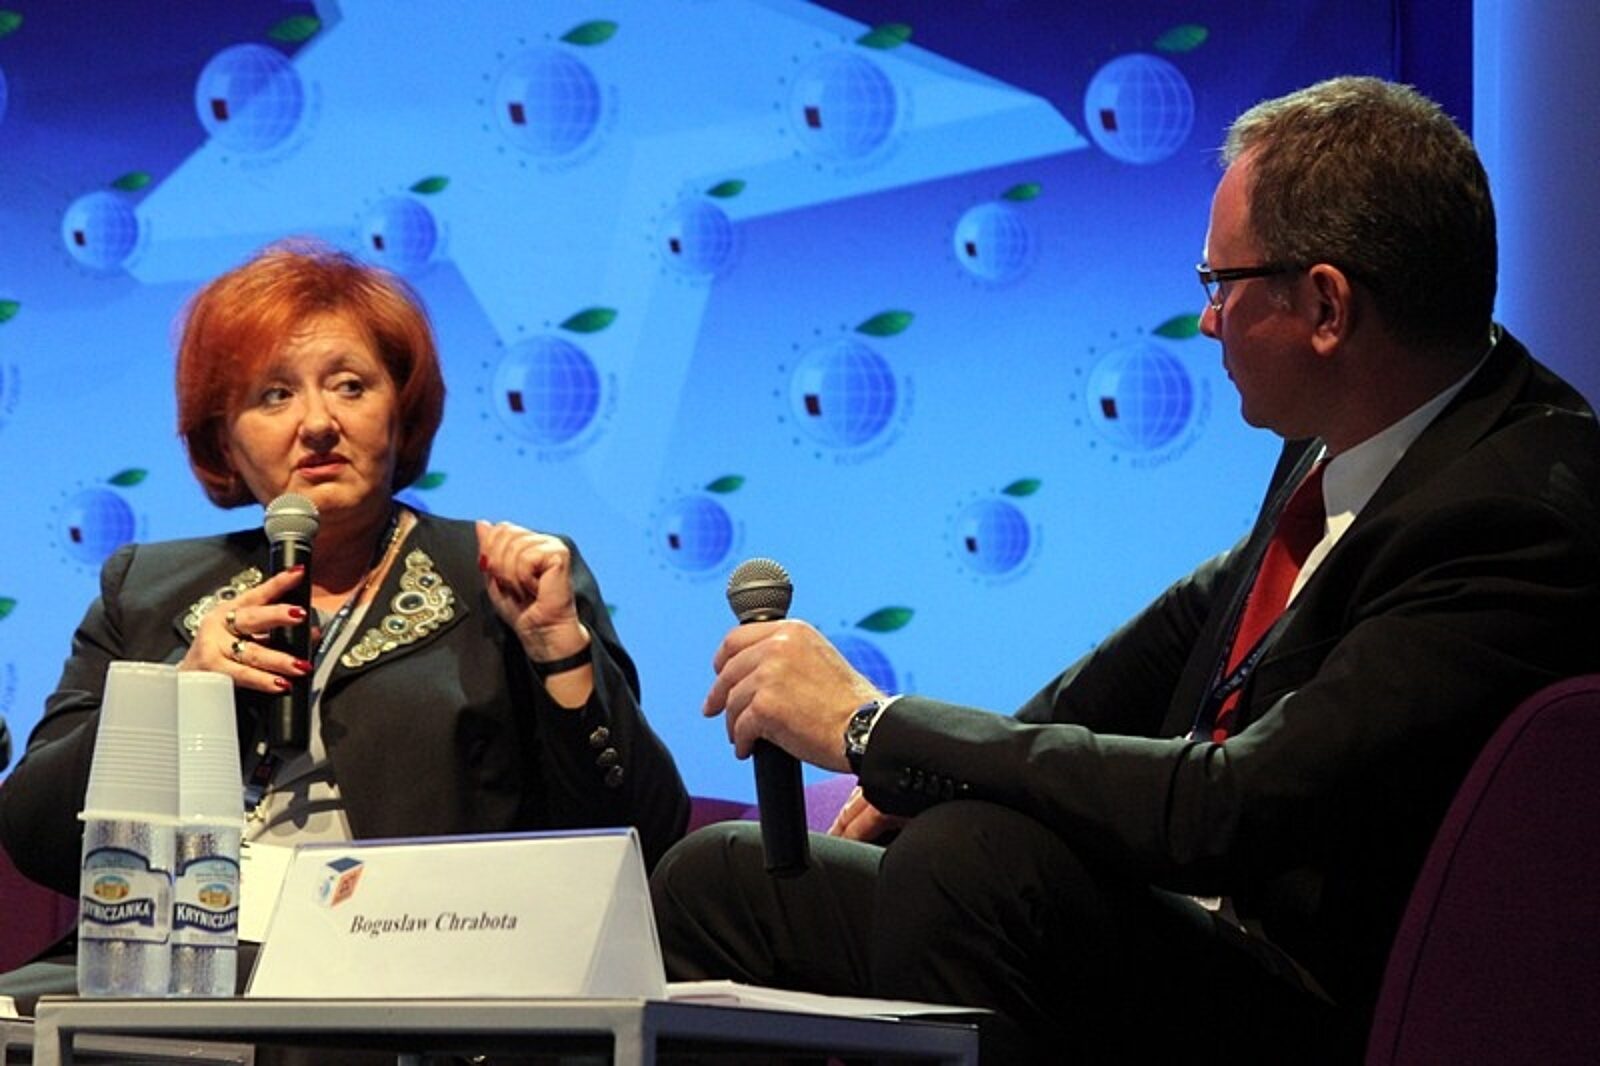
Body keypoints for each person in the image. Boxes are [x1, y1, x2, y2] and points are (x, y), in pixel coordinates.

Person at [649, 76, 1600, 1062]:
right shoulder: (1360, 414)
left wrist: (871, 726)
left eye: (1220, 283)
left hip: (1307, 1002)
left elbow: (1234, 806)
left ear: (1326, 306)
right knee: (722, 881)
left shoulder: (1517, 515)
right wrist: (923, 771)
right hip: (1196, 944)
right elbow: (1198, 616)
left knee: (976, 863)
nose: (1206, 320)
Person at [0, 238, 689, 916]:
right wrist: (175, 696)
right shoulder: (147, 588)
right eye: (274, 395)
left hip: (413, 948)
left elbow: (642, 836)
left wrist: (558, 651)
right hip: (185, 944)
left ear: (402, 411)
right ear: (225, 442)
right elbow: (35, 831)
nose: (318, 423)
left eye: (350, 386)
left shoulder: (503, 579)